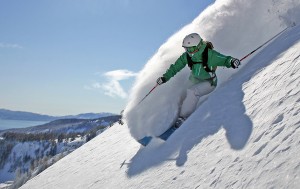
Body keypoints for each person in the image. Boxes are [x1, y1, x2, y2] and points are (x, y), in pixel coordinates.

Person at [156, 33, 240, 127]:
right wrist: (165, 77)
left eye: (190, 48)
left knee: (192, 92)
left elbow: (224, 59)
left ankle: (183, 117)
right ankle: (174, 113)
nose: (188, 51)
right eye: (186, 48)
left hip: (209, 82)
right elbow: (175, 67)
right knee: (181, 93)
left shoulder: (209, 54)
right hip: (194, 79)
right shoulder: (186, 56)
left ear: (198, 46)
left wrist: (232, 61)